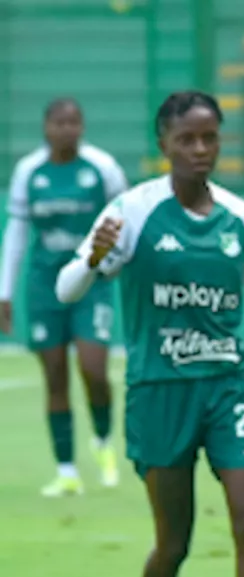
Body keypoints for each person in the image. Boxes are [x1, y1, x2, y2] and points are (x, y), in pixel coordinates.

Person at [56, 91, 244, 577]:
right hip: (159, 393)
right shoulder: (132, 212)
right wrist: (95, 255)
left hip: (230, 386)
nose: (201, 150)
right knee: (173, 542)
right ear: (165, 145)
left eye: (210, 138)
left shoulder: (241, 218)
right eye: (188, 140)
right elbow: (68, 287)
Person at [0, 98, 128, 496]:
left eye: (73, 122)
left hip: (92, 283)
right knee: (54, 375)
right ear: (46, 127)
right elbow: (18, 233)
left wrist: (116, 265)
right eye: (59, 122)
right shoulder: (29, 172)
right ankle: (67, 469)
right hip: (43, 286)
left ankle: (104, 440)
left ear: (83, 126)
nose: (66, 129)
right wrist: (4, 291)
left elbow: (125, 220)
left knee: (93, 368)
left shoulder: (102, 169)